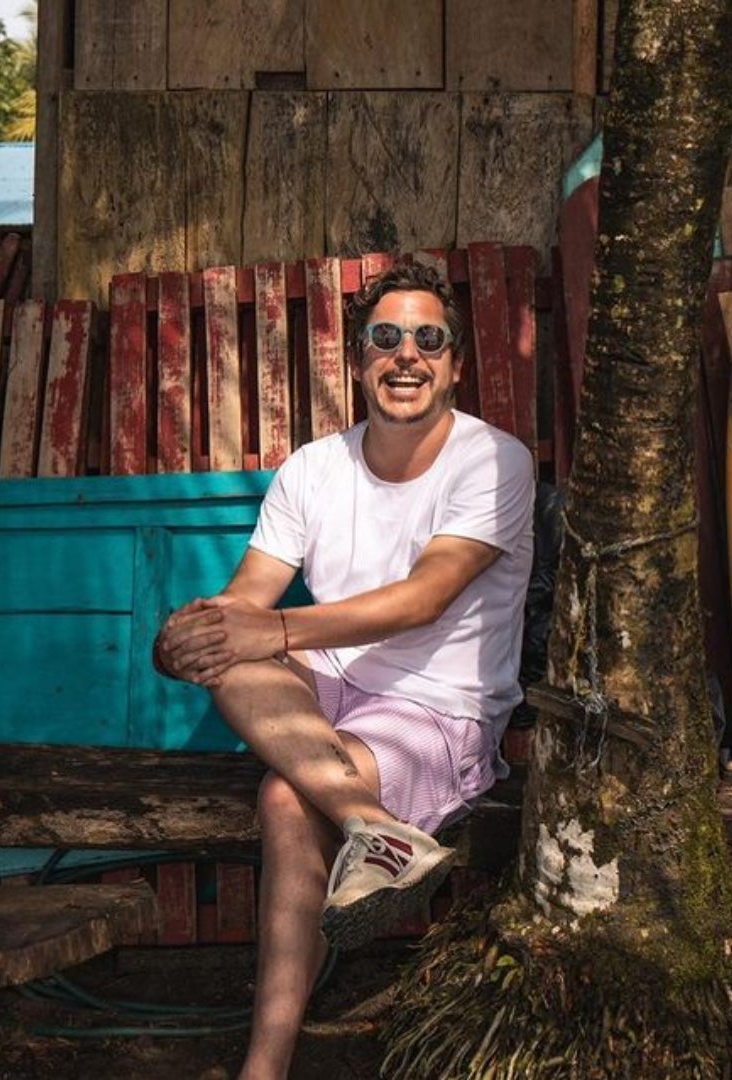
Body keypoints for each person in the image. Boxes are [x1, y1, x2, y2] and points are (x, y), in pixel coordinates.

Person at [152, 263, 534, 1080]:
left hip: (440, 709)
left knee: (287, 797)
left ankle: (264, 1067)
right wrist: (190, 638)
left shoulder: (494, 461)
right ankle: (377, 828)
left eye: (428, 339)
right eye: (386, 339)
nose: (408, 356)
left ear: (456, 363)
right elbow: (245, 602)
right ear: (358, 361)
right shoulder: (313, 469)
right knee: (228, 648)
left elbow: (424, 599)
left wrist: (270, 627)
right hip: (330, 694)